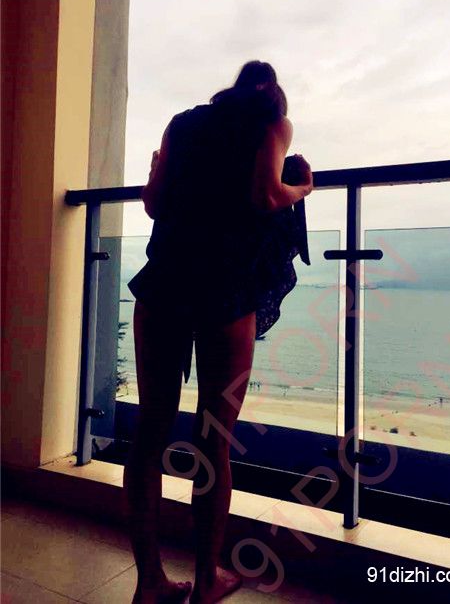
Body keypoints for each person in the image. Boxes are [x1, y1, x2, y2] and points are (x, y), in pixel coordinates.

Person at [123, 61, 313, 604]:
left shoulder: (183, 124)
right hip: (225, 293)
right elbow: (266, 196)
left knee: (150, 434)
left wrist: (157, 169)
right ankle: (206, 580)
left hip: (164, 284)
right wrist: (302, 186)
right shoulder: (272, 123)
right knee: (214, 441)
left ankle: (150, 582)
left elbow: (154, 204)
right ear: (273, 96)